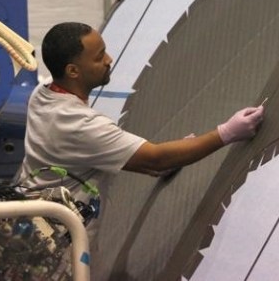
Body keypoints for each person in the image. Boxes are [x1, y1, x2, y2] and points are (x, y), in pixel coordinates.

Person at [15, 21, 264, 217]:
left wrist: (149, 163)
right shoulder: (78, 124)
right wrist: (227, 133)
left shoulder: (45, 92)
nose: (109, 60)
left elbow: (89, 153)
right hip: (58, 240)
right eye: (99, 56)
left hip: (29, 213)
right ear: (73, 71)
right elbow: (156, 157)